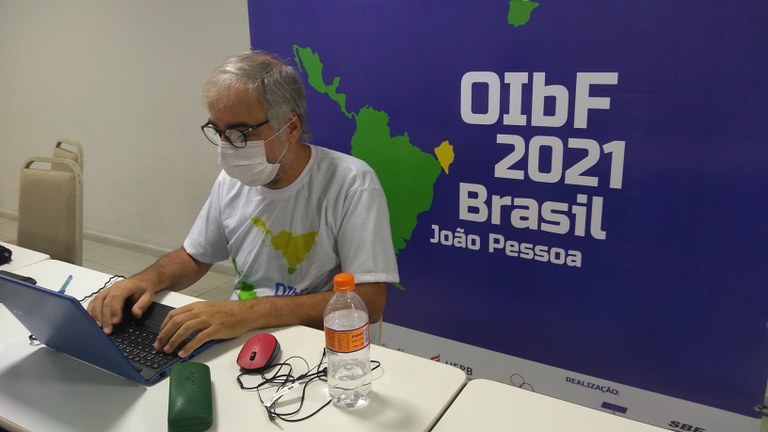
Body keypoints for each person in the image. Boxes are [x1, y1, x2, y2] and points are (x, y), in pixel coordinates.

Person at [87, 50, 399, 358]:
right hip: (241, 337)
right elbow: (194, 256)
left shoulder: (350, 182)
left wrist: (248, 313)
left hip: (315, 346)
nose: (226, 146)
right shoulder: (232, 180)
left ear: (290, 127)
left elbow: (369, 302)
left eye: (240, 132)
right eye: (218, 131)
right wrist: (146, 280)